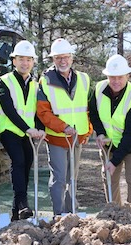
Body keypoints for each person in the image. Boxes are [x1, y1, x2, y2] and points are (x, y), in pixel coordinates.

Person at [37, 38, 92, 215]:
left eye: (66, 57)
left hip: (77, 136)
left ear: (71, 58)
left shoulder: (84, 79)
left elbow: (89, 107)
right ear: (53, 60)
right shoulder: (45, 81)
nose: (62, 61)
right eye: (58, 57)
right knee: (59, 179)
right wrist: (63, 127)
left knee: (73, 178)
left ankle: (72, 213)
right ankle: (59, 215)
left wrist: (88, 129)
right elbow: (43, 112)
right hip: (57, 138)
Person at [88, 54, 131, 206]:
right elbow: (94, 114)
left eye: (120, 77)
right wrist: (100, 133)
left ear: (128, 76)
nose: (116, 81)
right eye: (112, 77)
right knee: (108, 177)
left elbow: (130, 136)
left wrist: (114, 161)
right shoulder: (98, 89)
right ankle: (114, 211)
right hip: (109, 142)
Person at [0, 40, 46, 221]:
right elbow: (9, 110)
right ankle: (23, 204)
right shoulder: (4, 82)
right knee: (18, 161)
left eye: (28, 60)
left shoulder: (35, 84)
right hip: (9, 129)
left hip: (28, 132)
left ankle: (16, 211)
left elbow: (38, 110)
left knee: (27, 164)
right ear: (14, 61)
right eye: (21, 59)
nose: (25, 63)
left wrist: (40, 129)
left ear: (33, 62)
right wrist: (28, 129)